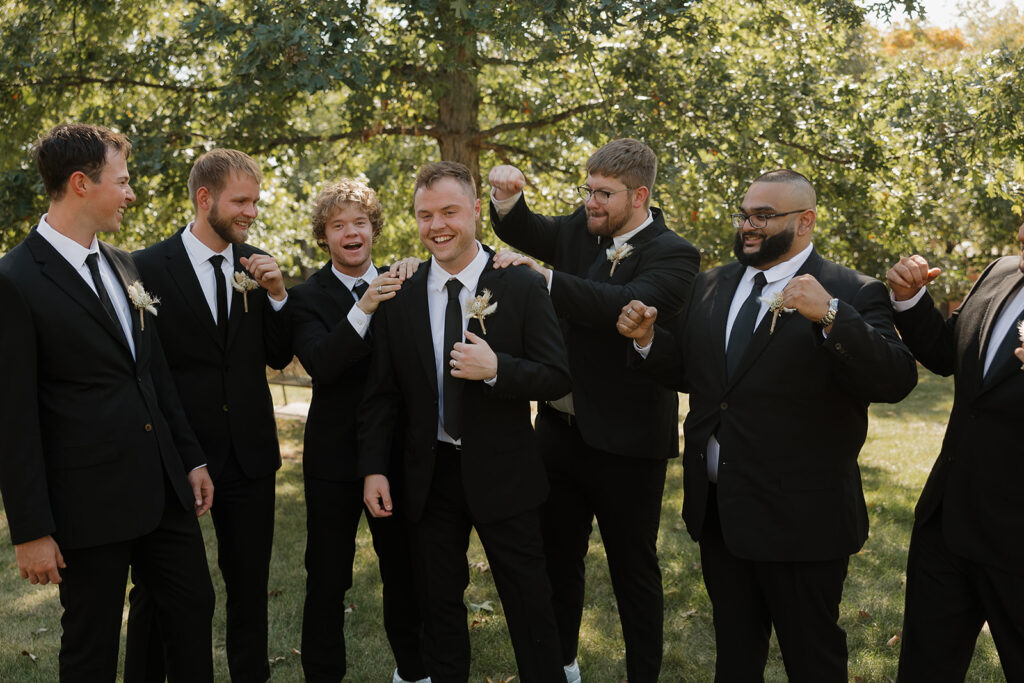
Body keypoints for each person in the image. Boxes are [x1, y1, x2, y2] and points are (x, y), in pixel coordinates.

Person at [617, 169, 917, 682]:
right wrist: (648, 341)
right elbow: (702, 376)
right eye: (744, 214)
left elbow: (895, 378)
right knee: (735, 656)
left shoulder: (851, 290)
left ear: (805, 221)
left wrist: (831, 316)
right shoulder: (712, 284)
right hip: (721, 513)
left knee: (813, 659)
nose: (748, 226)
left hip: (803, 520)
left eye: (763, 216)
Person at [0, 123, 215, 681]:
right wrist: (30, 530)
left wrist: (189, 458)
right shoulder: (15, 279)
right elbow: (12, 415)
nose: (131, 193)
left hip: (162, 490)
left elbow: (154, 375)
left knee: (192, 608)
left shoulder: (124, 264)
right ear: (79, 184)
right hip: (86, 503)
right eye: (121, 182)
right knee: (92, 646)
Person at [487, 138, 699, 682]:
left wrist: (545, 277)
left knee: (634, 570)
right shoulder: (581, 229)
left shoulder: (676, 254)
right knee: (556, 559)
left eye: (603, 193)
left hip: (628, 443)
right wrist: (508, 199)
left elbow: (618, 307)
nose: (590, 203)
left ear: (641, 194)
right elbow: (524, 230)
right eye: (587, 190)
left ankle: (642, 676)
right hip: (557, 433)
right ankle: (562, 666)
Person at [359, 161, 570, 682]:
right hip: (428, 478)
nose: (437, 226)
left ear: (475, 210)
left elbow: (556, 375)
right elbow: (382, 394)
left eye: (449, 211)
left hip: (505, 472)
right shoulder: (399, 291)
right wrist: (374, 468)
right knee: (439, 610)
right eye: (425, 215)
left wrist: (499, 370)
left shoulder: (519, 283)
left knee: (530, 608)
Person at [126, 149, 292, 682]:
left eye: (255, 202)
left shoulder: (256, 262)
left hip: (249, 455)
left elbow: (276, 353)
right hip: (175, 456)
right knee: (162, 588)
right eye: (241, 201)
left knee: (248, 585)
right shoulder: (147, 267)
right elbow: (148, 370)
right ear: (205, 199)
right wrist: (183, 452)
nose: (252, 212)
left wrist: (278, 294)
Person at [288, 179, 428, 683]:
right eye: (338, 225)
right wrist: (364, 306)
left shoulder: (406, 284)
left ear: (374, 229)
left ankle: (413, 673)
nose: (351, 232)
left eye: (359, 223)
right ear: (324, 236)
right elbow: (322, 365)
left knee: (403, 571)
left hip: (396, 454)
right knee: (327, 577)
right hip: (333, 459)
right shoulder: (306, 297)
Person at [886, 229, 1024, 682]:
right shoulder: (1001, 272)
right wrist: (909, 300)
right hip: (949, 523)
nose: (1020, 232)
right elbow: (948, 354)